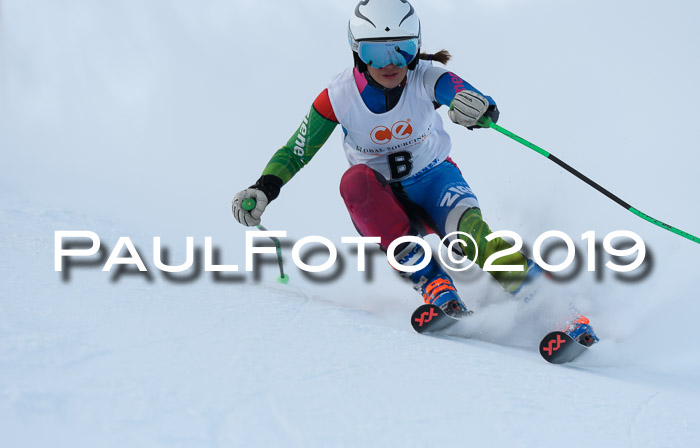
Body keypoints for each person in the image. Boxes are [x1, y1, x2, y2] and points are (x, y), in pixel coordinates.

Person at [232, 0, 597, 343]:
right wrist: (263, 188)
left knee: (472, 240)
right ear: (356, 52)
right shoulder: (339, 96)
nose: (391, 63)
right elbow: (296, 152)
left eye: (403, 49)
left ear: (417, 46)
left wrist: (478, 110)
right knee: (354, 182)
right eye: (376, 52)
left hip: (435, 180)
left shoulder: (426, 77)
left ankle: (559, 308)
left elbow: (468, 96)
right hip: (382, 200)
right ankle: (435, 284)